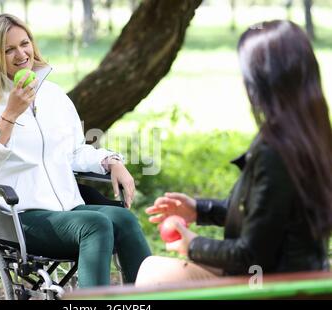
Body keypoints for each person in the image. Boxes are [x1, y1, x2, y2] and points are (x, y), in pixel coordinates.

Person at [135, 20, 332, 286]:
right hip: (286, 273)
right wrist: (199, 210)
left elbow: (249, 255)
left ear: (262, 82)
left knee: (155, 276)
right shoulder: (305, 135)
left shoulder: (277, 151)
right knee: (153, 267)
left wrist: (192, 244)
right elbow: (267, 214)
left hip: (273, 284)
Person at [0, 14, 151, 288]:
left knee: (122, 218)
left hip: (67, 208)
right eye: (8, 49)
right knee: (94, 225)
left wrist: (111, 161)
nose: (21, 54)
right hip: (18, 216)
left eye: (24, 43)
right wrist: (10, 115)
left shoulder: (53, 95)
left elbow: (73, 151)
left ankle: (144, 299)